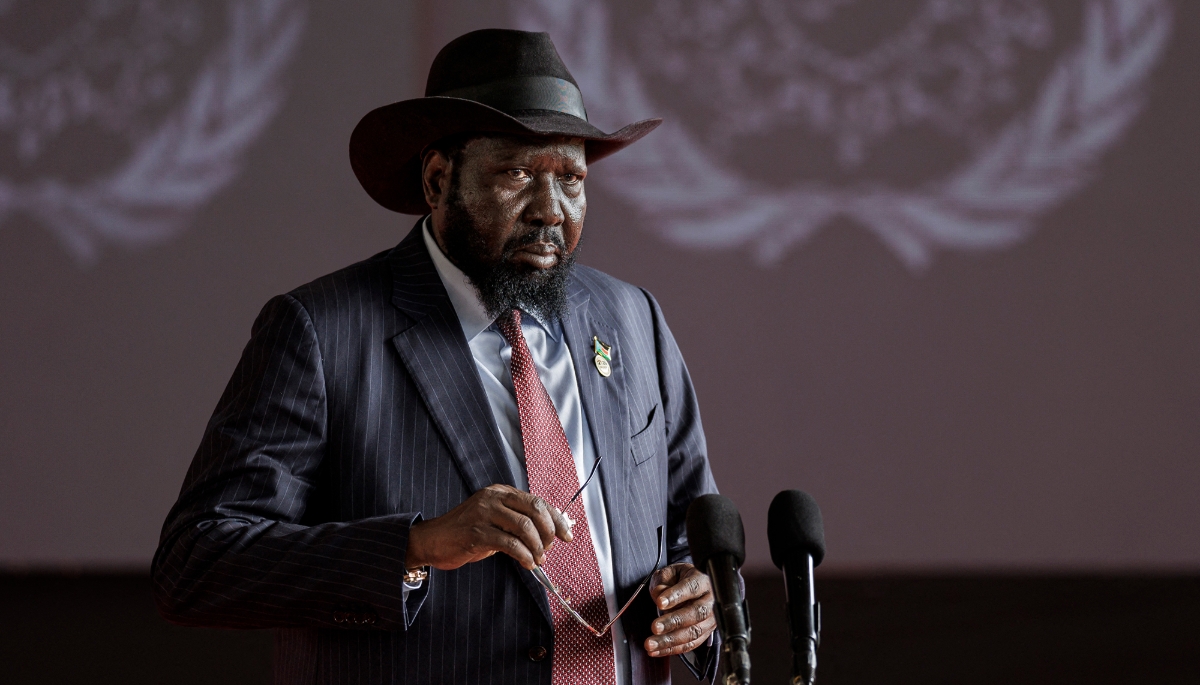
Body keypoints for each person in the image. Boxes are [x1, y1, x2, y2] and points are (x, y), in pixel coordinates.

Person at [152, 28, 721, 685]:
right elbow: (195, 564)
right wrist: (414, 547)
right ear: (437, 179)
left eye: (571, 179)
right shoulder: (320, 332)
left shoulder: (631, 319)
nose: (550, 209)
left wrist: (696, 596)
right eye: (516, 173)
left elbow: (693, 534)